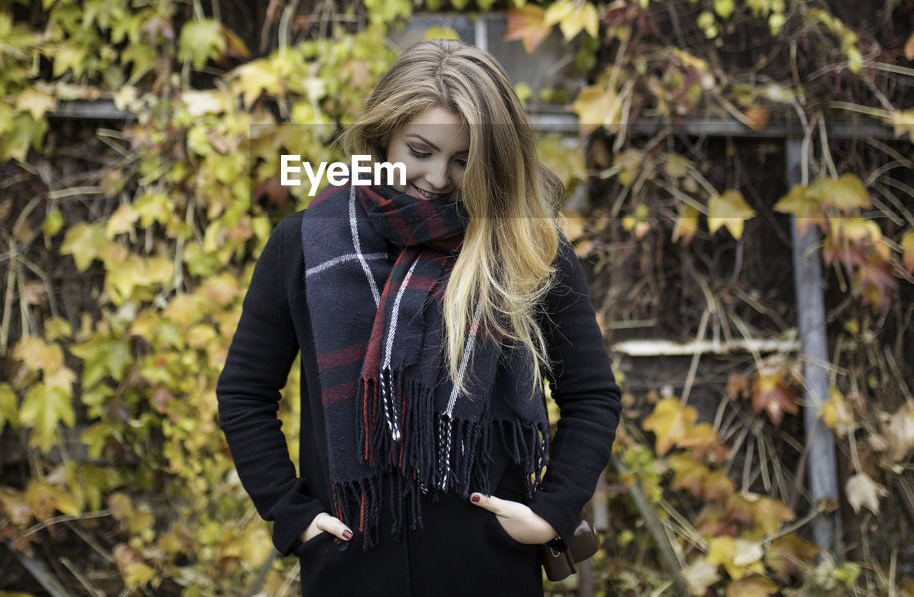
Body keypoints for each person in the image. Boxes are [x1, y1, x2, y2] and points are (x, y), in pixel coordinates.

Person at [216, 39, 620, 596]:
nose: (436, 178)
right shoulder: (306, 245)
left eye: (463, 160)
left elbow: (592, 395)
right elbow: (244, 394)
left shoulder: (527, 247)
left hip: (488, 571)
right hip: (349, 571)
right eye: (421, 150)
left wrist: (550, 514)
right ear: (383, 137)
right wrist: (292, 515)